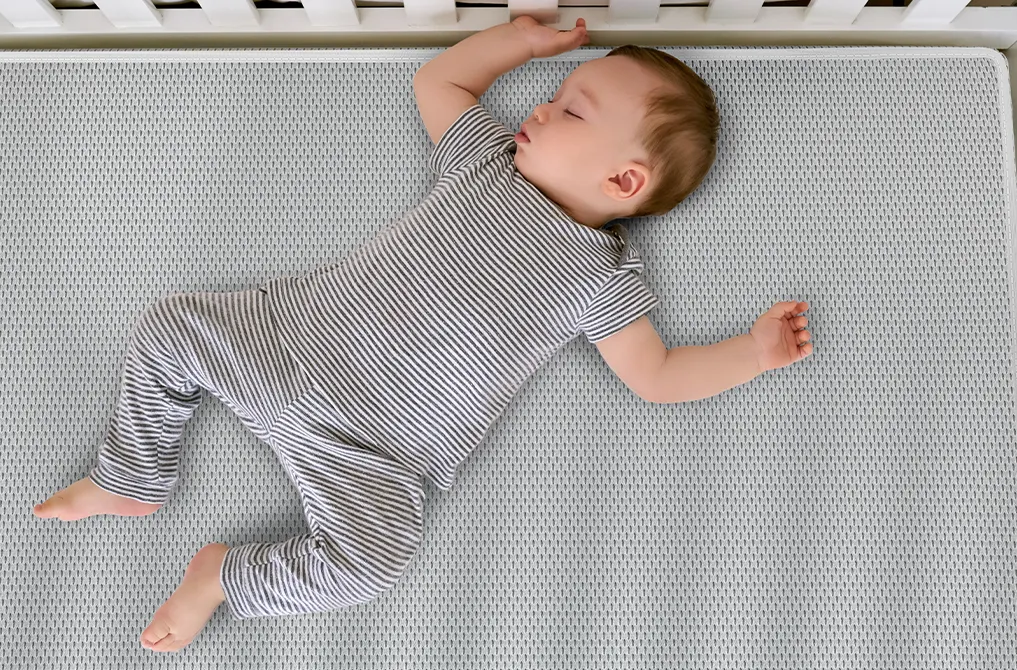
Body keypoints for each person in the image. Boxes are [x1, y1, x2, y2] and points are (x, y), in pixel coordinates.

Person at [32, 16, 813, 654]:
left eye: (570, 109)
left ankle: (222, 579)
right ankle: (130, 475)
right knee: (169, 325)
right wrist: (520, 42)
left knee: (372, 562)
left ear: (624, 182)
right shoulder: (488, 163)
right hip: (283, 343)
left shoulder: (602, 279)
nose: (538, 106)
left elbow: (658, 374)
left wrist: (751, 353)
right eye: (552, 92)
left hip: (374, 450)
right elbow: (439, 80)